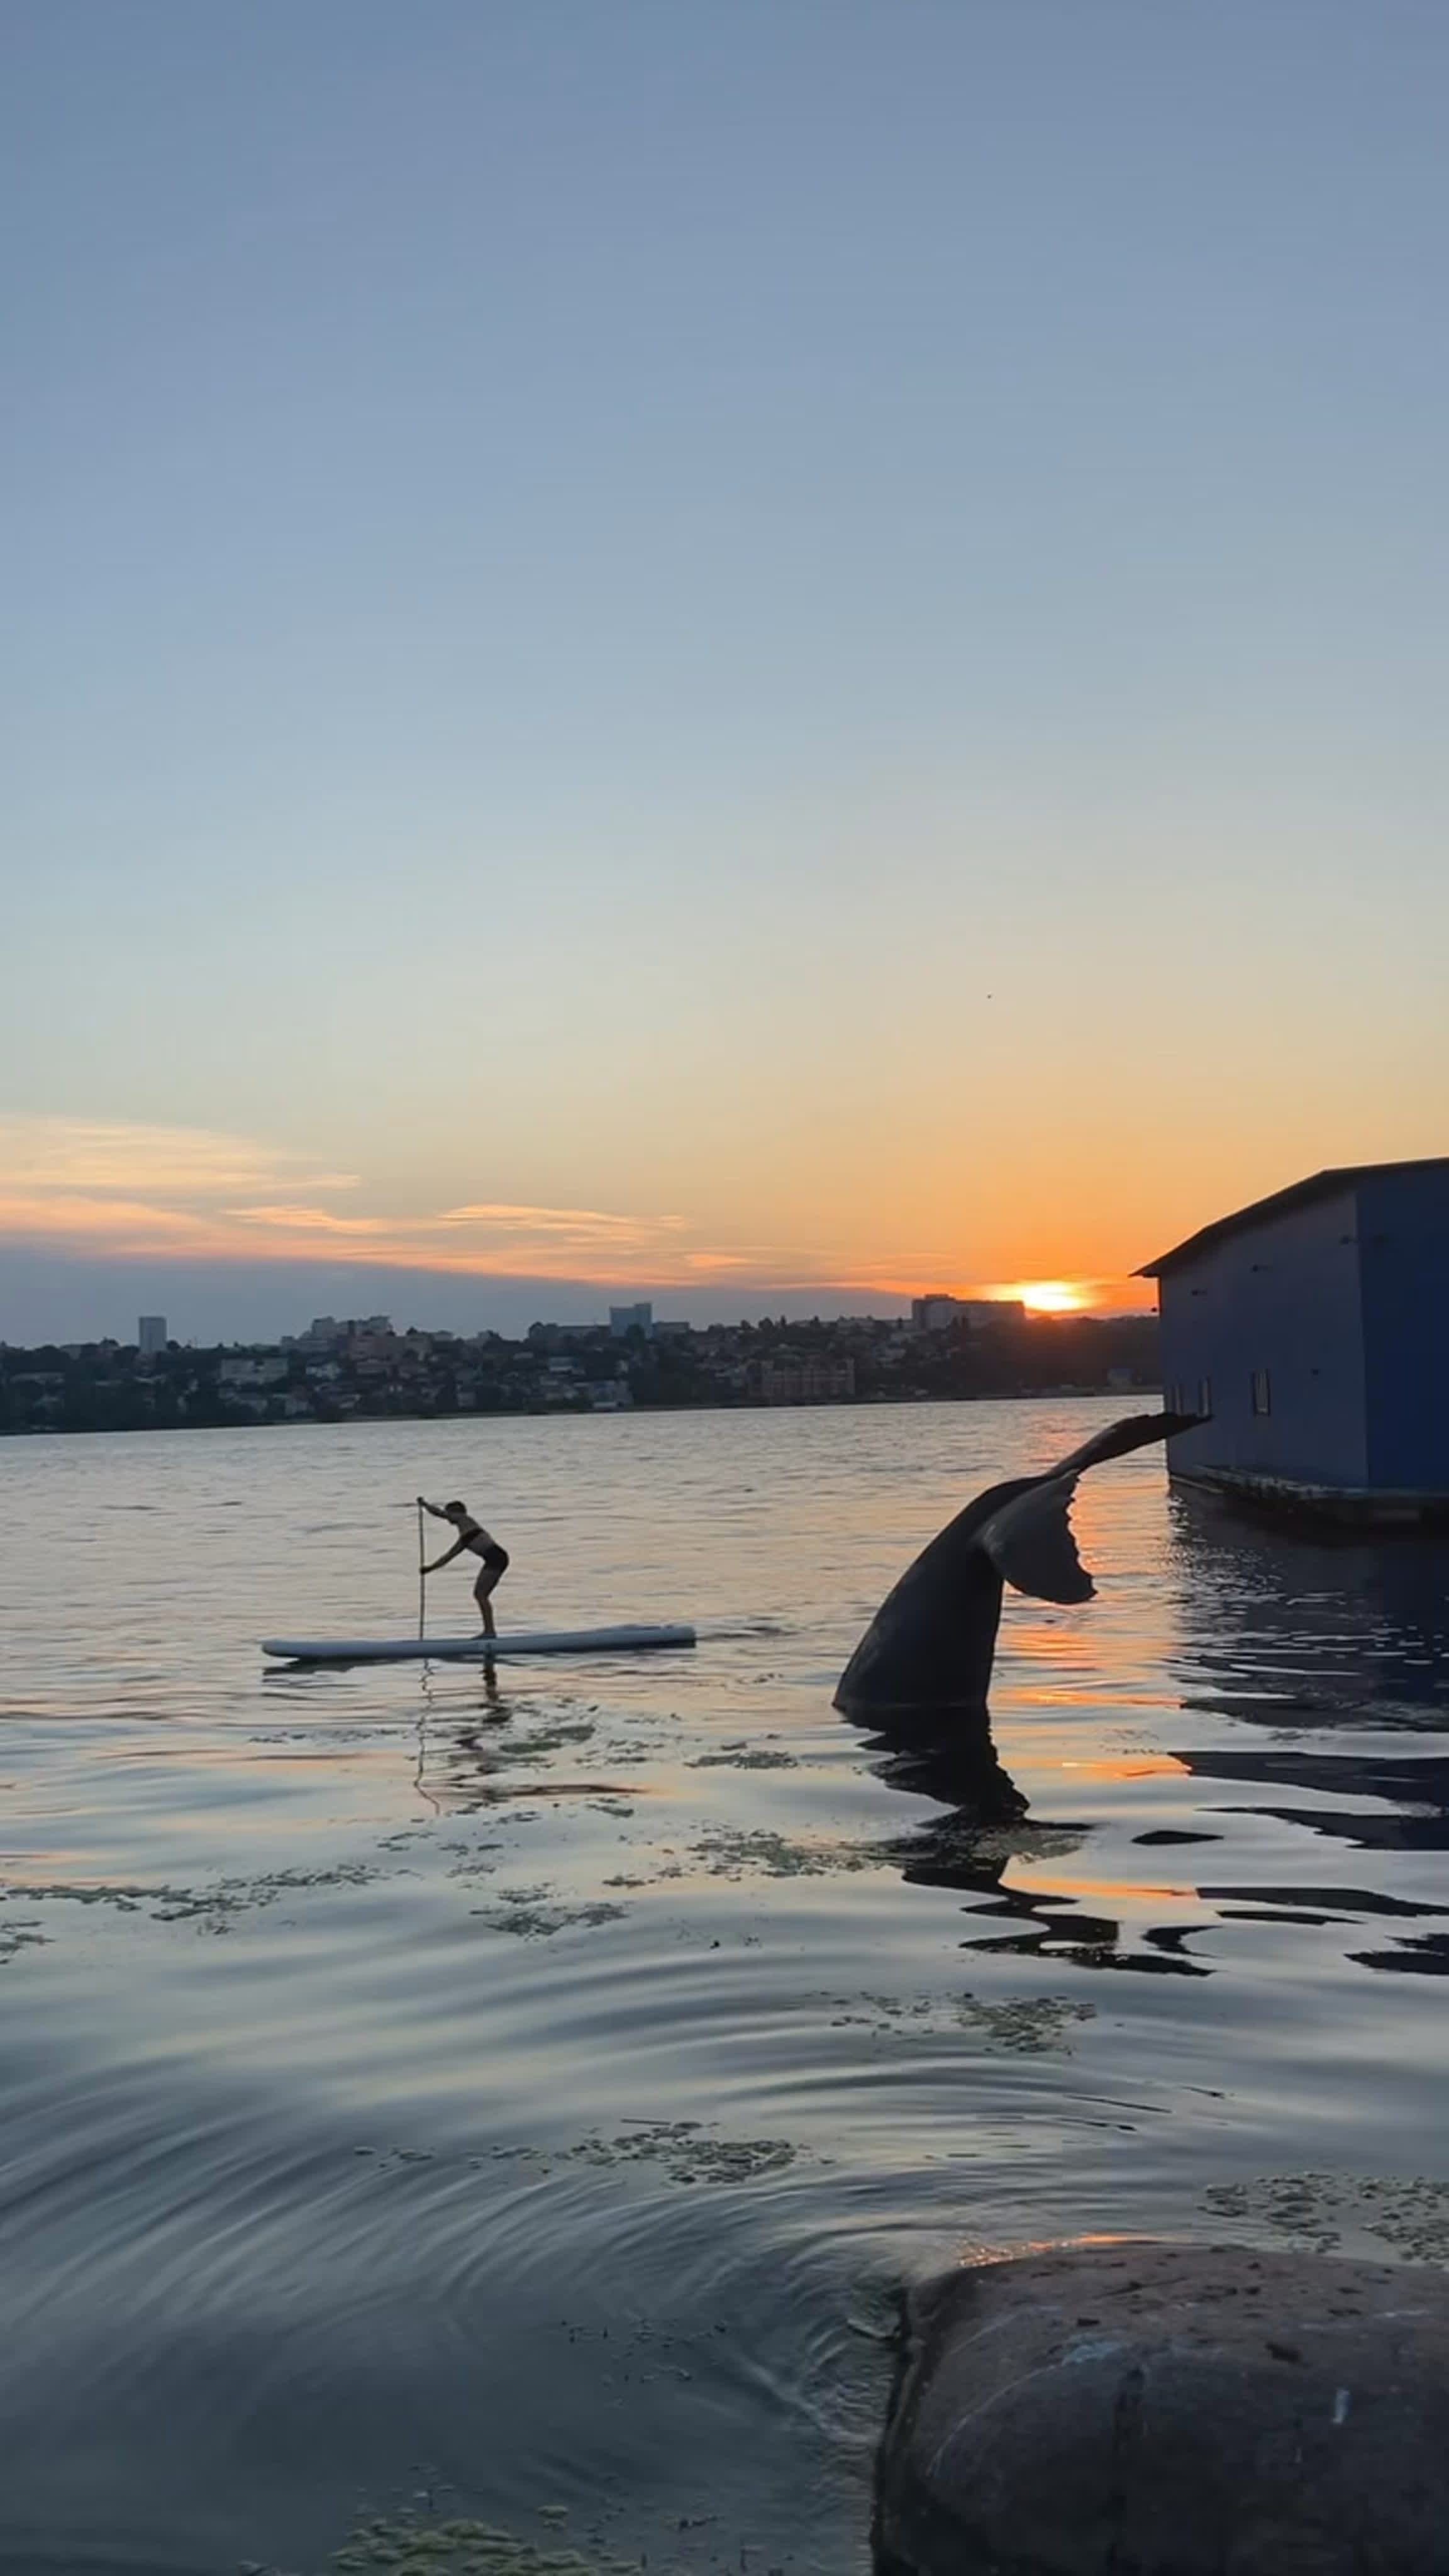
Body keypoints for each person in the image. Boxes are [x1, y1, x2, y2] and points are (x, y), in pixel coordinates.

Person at [418, 1497, 510, 1638]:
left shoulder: (465, 1520)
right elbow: (447, 1558)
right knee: (481, 1595)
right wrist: (429, 1569)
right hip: (495, 1559)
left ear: (457, 1512)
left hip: (497, 1558)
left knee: (480, 1595)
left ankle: (490, 1632)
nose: (448, 1518)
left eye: (449, 1513)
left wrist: (425, 1505)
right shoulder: (463, 1539)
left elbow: (440, 1514)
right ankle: (490, 1631)